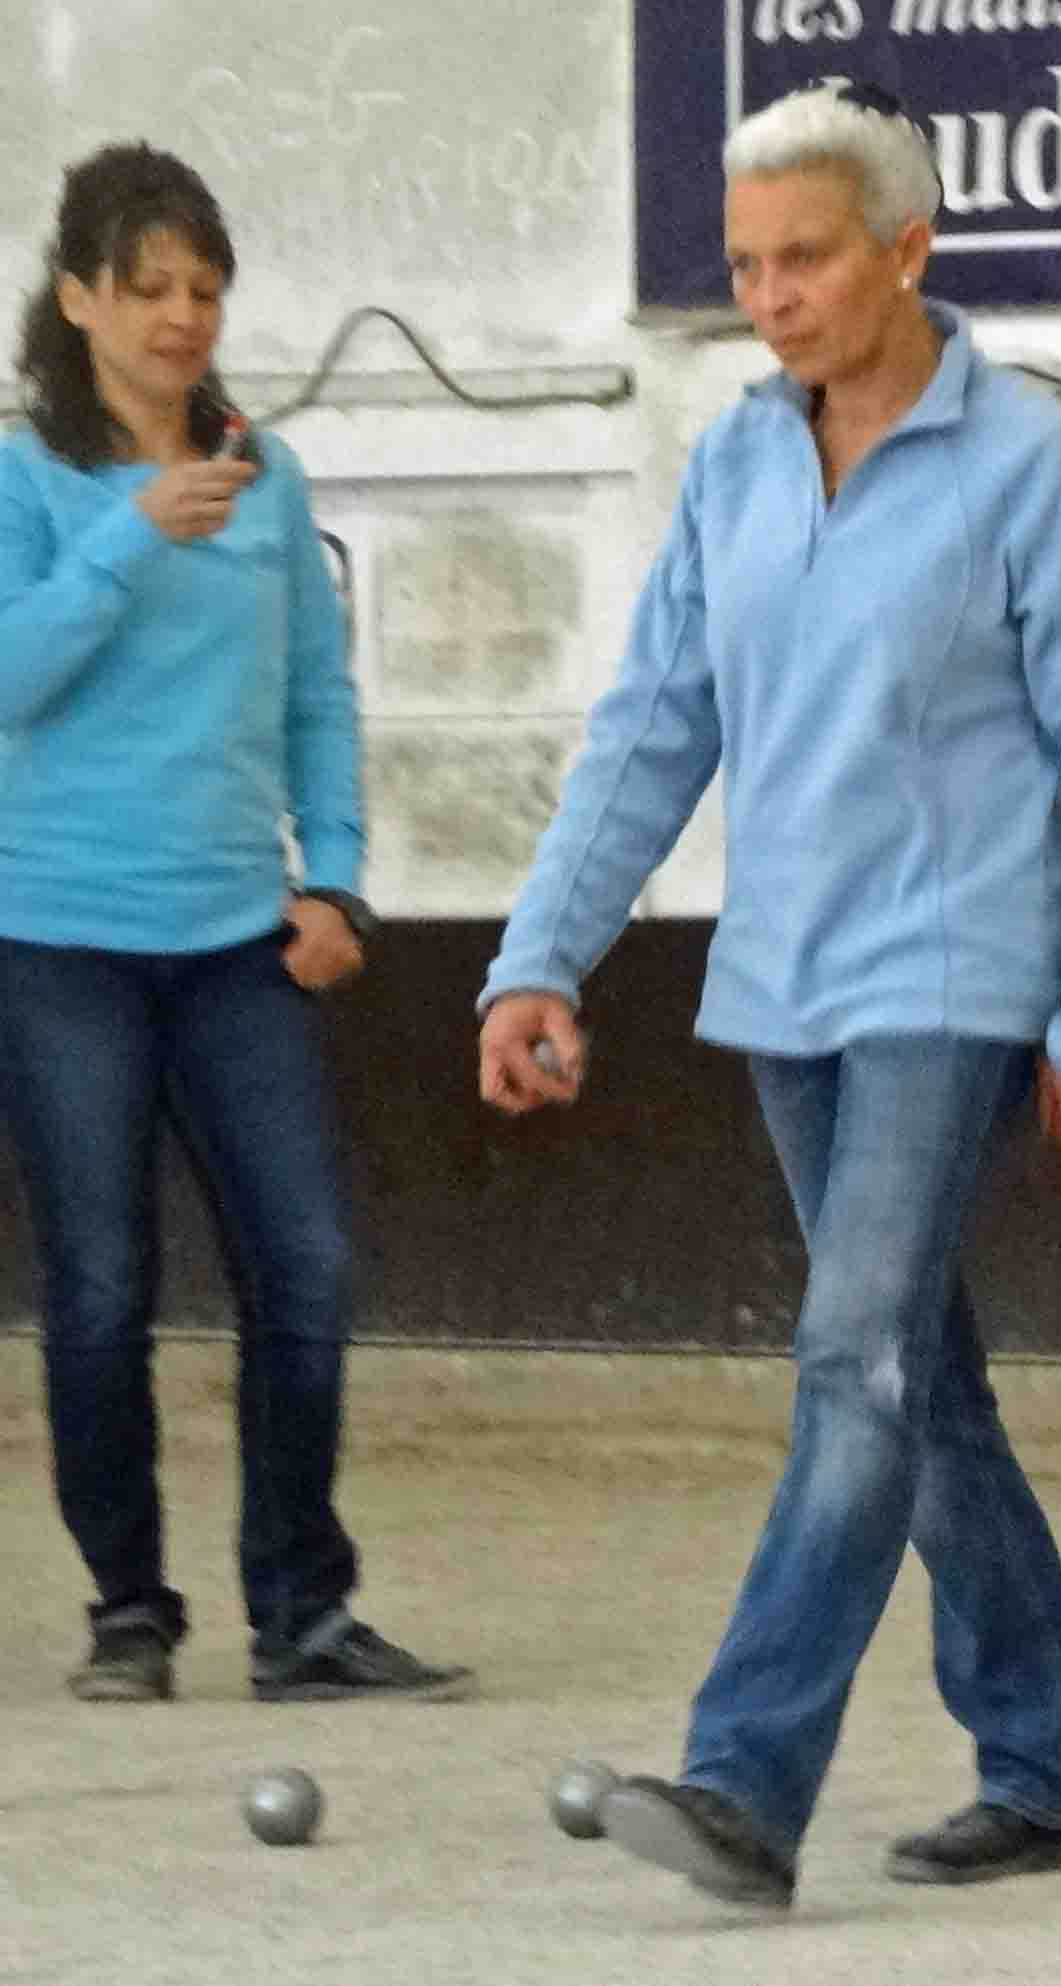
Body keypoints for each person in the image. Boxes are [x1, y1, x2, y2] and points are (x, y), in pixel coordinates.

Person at [476, 80, 1061, 1905]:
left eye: (804, 256)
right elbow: (656, 725)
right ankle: (1041, 1766)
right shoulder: (730, 465)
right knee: (920, 1385)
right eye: (744, 265)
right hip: (780, 989)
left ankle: (744, 1781)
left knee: (852, 1356)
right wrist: (540, 952)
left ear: (908, 246)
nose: (772, 295)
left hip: (951, 982)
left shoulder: (1034, 463)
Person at [0, 143, 469, 1703]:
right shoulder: (20, 478)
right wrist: (136, 534)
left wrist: (334, 878)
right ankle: (130, 1608)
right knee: (98, 1289)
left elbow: (317, 703)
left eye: (205, 289)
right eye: (147, 290)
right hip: (57, 938)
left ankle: (304, 1613)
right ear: (77, 300)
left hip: (235, 942)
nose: (181, 318)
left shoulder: (271, 479)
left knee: (309, 1263)